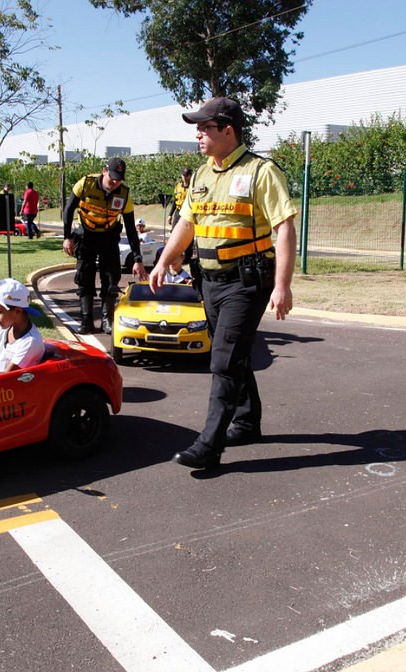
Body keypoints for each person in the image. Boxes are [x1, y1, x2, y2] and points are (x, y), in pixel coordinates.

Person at [149, 97, 298, 470]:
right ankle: (247, 421)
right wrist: (165, 259)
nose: (198, 134)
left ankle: (209, 444)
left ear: (227, 130)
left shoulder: (261, 172)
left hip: (247, 281)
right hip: (209, 280)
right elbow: (187, 224)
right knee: (234, 353)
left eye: (204, 128)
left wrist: (283, 285)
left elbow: (284, 228)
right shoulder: (200, 175)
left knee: (224, 360)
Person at [63, 157, 148, 335]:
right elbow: (69, 209)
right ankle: (86, 321)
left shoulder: (124, 194)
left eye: (119, 179)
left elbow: (131, 229)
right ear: (104, 171)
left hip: (109, 237)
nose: (115, 182)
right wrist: (67, 237)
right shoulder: (85, 184)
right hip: (86, 235)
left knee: (111, 279)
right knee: (84, 276)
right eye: (112, 178)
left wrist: (138, 259)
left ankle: (107, 320)